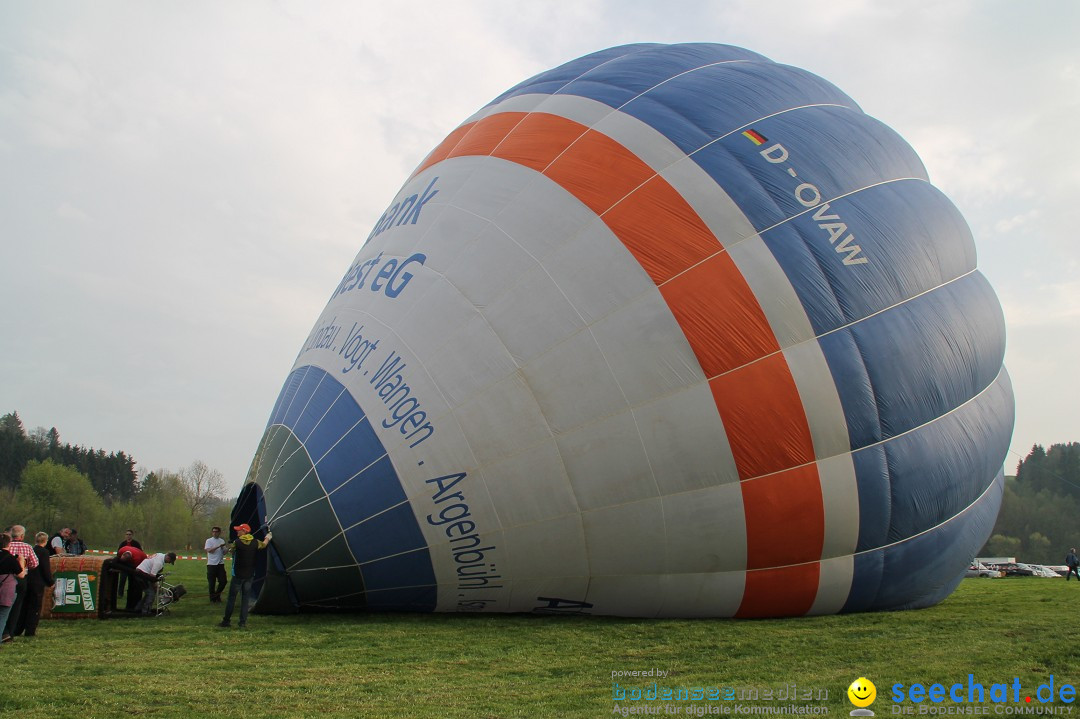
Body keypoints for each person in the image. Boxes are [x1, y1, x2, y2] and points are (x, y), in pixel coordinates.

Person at [218, 523, 272, 629]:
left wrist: (226, 547)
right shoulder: (255, 542)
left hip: (238, 575)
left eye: (239, 530)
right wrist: (268, 536)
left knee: (232, 598)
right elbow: (264, 544)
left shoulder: (236, 542)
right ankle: (242, 623)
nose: (237, 531)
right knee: (245, 599)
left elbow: (229, 551)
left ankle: (226, 621)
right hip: (250, 575)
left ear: (244, 531)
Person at [15, 532, 54, 638]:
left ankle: (18, 629)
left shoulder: (31, 549)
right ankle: (30, 630)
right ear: (45, 541)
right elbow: (45, 569)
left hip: (27, 581)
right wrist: (50, 581)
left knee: (24, 606)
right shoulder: (44, 552)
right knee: (35, 607)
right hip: (38, 583)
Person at [3, 525, 38, 641]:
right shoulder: (27, 547)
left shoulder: (6, 545)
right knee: (16, 607)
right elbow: (34, 563)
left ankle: (3, 630)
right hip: (21, 578)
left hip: (4, 577)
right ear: (22, 536)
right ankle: (10, 633)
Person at [0, 533, 28, 646]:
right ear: (9, 544)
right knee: (2, 616)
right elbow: (21, 574)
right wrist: (21, 560)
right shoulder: (10, 558)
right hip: (6, 590)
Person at [115, 546, 148, 612]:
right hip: (134, 559)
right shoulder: (121, 550)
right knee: (130, 585)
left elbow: (137, 570)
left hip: (142, 563)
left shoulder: (137, 558)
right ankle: (129, 606)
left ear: (130, 559)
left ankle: (136, 607)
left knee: (136, 585)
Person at [204, 526, 228, 603]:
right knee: (212, 583)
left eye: (216, 531)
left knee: (223, 581)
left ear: (219, 532)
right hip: (211, 564)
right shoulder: (209, 541)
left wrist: (227, 548)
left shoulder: (222, 541)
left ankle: (217, 595)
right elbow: (209, 550)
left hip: (220, 564)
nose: (214, 533)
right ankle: (212, 599)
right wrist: (218, 546)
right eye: (213, 531)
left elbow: (224, 552)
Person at [116, 529, 142, 598]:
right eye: (127, 534)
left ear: (132, 535)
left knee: (132, 580)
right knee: (122, 580)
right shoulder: (122, 544)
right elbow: (118, 554)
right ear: (125, 535)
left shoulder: (136, 544)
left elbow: (140, 552)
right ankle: (120, 594)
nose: (128, 536)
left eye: (129, 534)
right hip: (124, 565)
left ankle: (131, 594)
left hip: (133, 565)